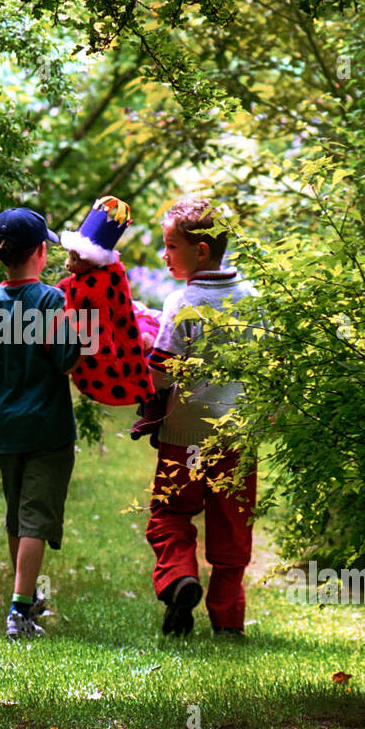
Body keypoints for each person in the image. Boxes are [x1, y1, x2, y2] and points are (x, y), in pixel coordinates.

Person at [131, 198, 258, 637]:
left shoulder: (182, 302)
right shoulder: (253, 298)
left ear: (200, 252)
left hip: (183, 437)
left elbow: (161, 373)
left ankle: (180, 578)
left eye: (171, 246)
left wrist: (142, 389)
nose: (164, 255)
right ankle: (227, 622)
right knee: (232, 531)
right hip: (238, 437)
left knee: (168, 514)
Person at [0, 207, 82, 639]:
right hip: (46, 429)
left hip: (1, 429)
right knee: (34, 519)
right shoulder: (52, 301)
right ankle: (19, 613)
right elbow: (68, 360)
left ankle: (25, 597)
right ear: (41, 252)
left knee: (17, 515)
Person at [56, 195, 155, 407]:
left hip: (100, 349)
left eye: (74, 259)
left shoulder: (96, 284)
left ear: (92, 262)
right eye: (69, 257)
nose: (67, 264)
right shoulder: (106, 274)